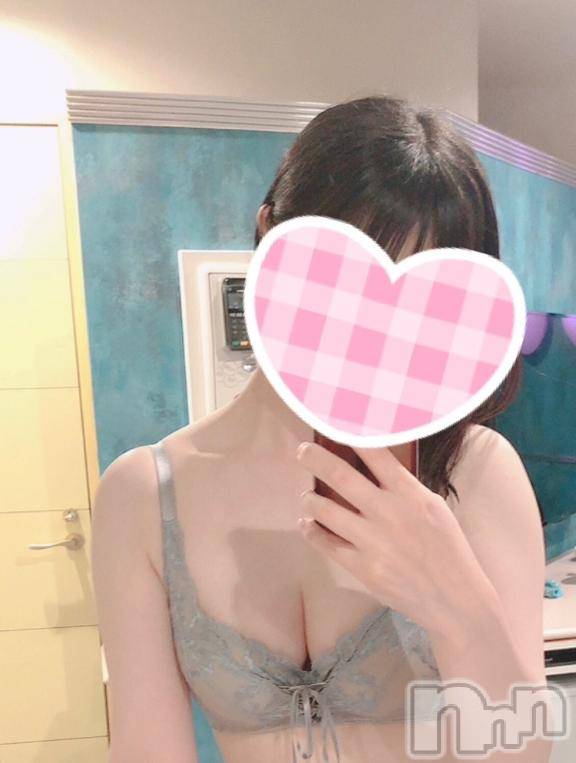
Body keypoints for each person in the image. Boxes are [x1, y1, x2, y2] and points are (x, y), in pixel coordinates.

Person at [91, 95, 550, 762]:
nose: (376, 336)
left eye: (424, 309)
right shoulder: (143, 495)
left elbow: (526, 754)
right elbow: (145, 750)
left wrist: (457, 605)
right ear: (267, 237)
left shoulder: (475, 472)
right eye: (340, 286)